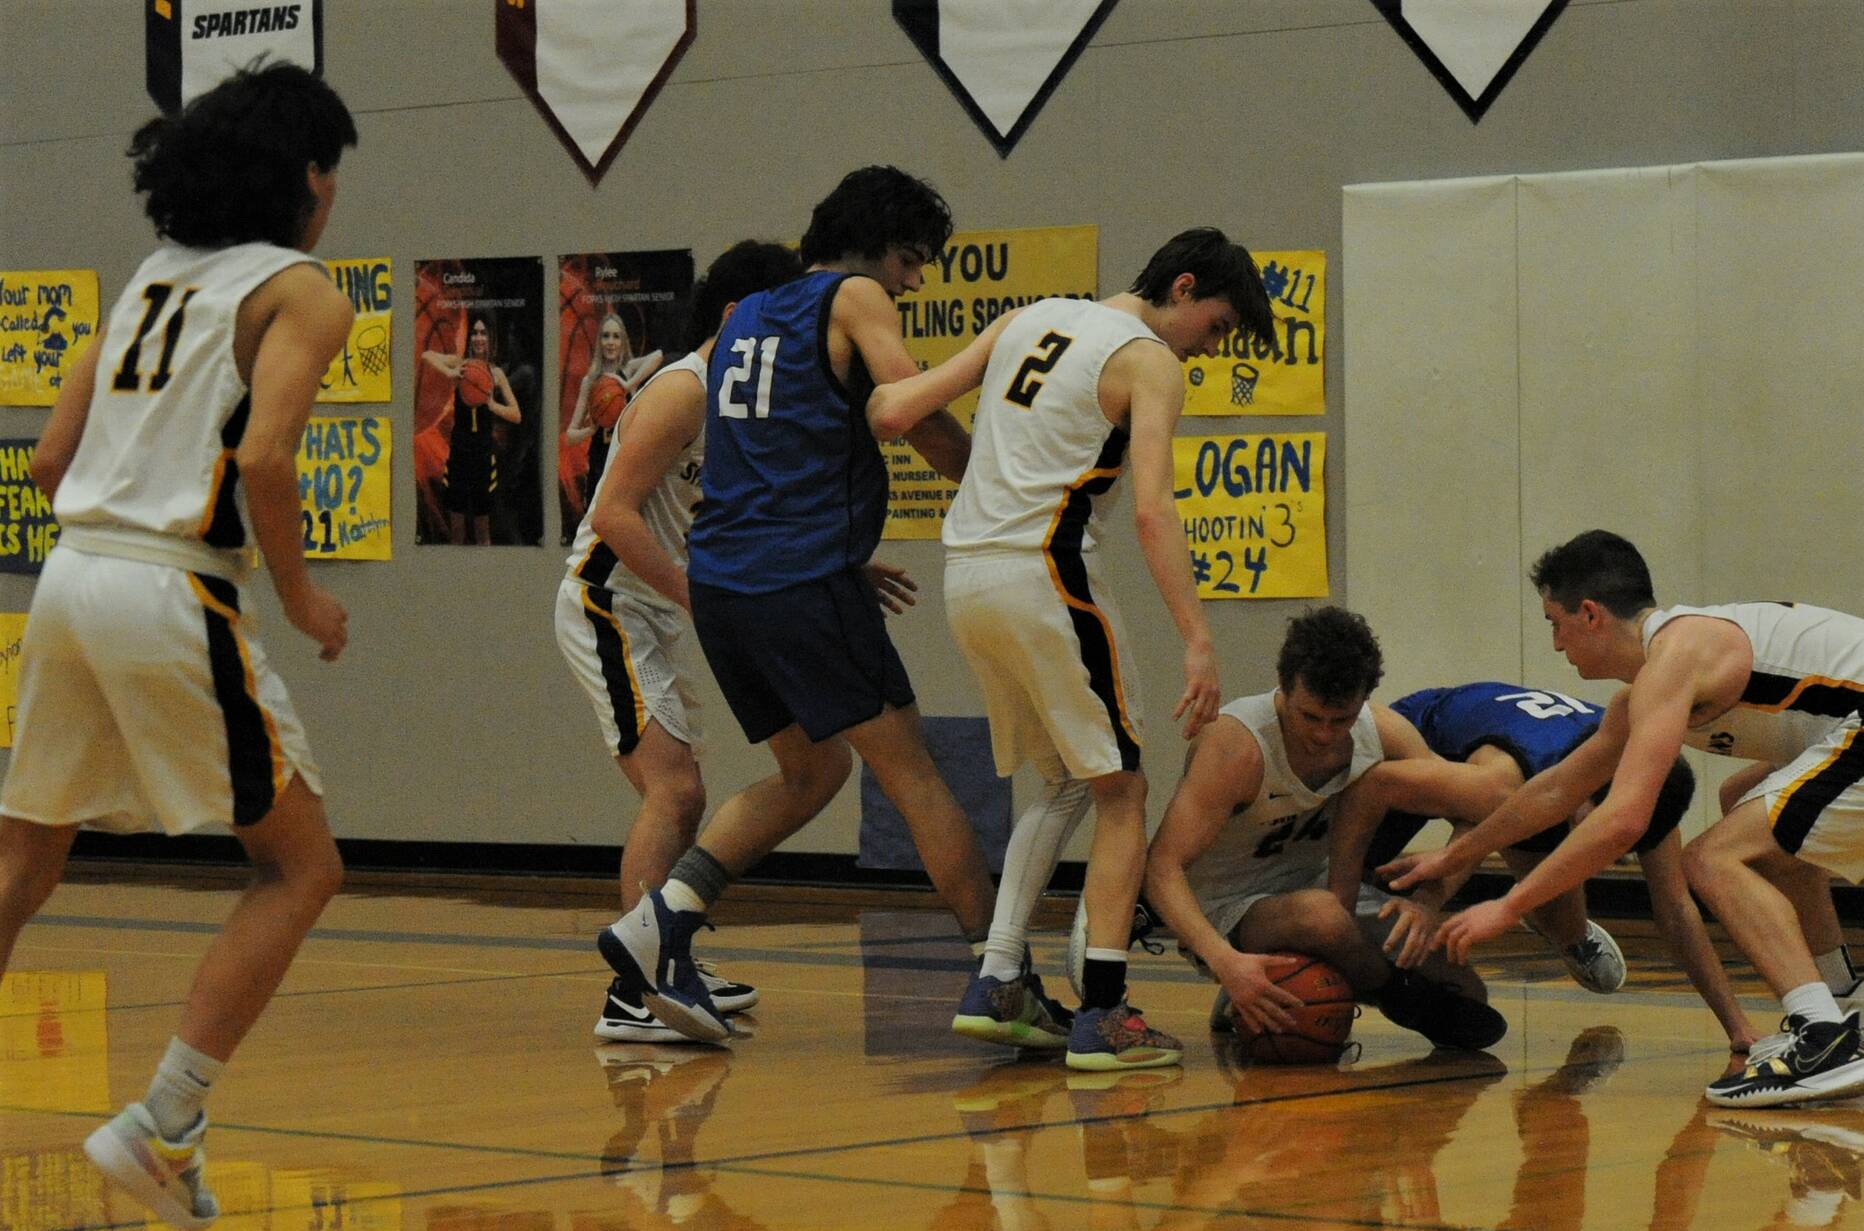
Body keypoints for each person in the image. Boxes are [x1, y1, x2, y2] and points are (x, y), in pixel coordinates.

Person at [0, 63, 357, 1230]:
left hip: (68, 576)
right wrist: (301, 600)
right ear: (308, 178)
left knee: (23, 862)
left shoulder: (149, 278)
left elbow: (49, 463)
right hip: (167, 591)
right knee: (299, 868)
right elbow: (263, 457)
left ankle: (168, 1125)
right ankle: (165, 1118)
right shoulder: (301, 290)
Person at [595, 167, 1023, 1044]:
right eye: (912, 259)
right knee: (915, 775)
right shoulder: (855, 296)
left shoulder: (750, 311)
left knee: (812, 771)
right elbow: (907, 412)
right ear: (874, 245)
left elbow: (774, 453)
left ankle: (663, 919)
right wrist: (999, 476)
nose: (913, 281)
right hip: (791, 578)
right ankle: (1001, 971)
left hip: (724, 581)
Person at [1389, 530, 1864, 1107]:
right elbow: (1559, 788)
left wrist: (1510, 905)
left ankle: (1820, 1037)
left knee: (1711, 858)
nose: (1555, 645)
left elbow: (1623, 822)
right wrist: (1457, 856)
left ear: (1591, 613)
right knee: (1743, 807)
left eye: (1556, 623)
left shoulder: (1675, 659)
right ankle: (1847, 1007)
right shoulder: (1650, 683)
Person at [866, 228, 1276, 1071]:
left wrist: (999, 466)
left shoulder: (1031, 316)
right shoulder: (1148, 360)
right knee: (1124, 789)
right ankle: (1104, 1012)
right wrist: (1197, 639)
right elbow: (1156, 513)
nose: (1209, 347)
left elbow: (893, 410)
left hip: (967, 575)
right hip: (1046, 576)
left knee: (1066, 779)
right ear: (1185, 285)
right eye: (1219, 324)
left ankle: (998, 978)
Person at [557, 242, 804, 1042]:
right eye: (779, 323)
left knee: (682, 791)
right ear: (738, 319)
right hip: (607, 600)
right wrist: (695, 595)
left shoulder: (730, 403)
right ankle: (636, 991)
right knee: (676, 792)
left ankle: (670, 962)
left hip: (648, 609)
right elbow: (614, 517)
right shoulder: (682, 391)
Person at [1137, 607, 1510, 1052]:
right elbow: (1160, 866)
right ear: (1284, 684)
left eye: (1342, 720)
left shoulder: (1383, 730)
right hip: (1226, 908)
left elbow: (1478, 811)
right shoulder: (1237, 746)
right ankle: (1400, 999)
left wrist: (1430, 901)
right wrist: (1226, 962)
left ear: (1365, 699)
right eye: (1310, 717)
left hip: (1324, 893)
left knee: (1467, 994)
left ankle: (1315, 971)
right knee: (1323, 915)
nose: (1324, 735)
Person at [1363, 680, 1771, 1058]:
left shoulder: (1646, 788)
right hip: (1424, 738)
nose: (1607, 859)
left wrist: (1736, 1024)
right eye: (1606, 841)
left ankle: (1570, 932)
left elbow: (1677, 910)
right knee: (1351, 890)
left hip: (1534, 773)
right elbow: (1473, 827)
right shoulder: (1507, 779)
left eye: (1620, 851)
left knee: (1562, 924)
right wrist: (1426, 902)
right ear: (1582, 800)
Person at [421, 315, 521, 544]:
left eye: (483, 333)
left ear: (491, 338)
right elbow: (426, 356)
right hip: (459, 452)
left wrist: (492, 404)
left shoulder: (495, 373)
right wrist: (449, 373)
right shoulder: (460, 364)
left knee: (482, 526)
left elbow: (516, 415)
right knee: (456, 525)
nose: (478, 338)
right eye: (474, 333)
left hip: (483, 454)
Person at [563, 310, 664, 508]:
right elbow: (569, 435)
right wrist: (589, 430)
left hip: (626, 455)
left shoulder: (628, 369)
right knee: (596, 527)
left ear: (623, 342)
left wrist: (629, 384)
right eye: (606, 336)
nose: (610, 342)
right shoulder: (590, 381)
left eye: (616, 336)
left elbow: (658, 356)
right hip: (601, 457)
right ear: (599, 341)